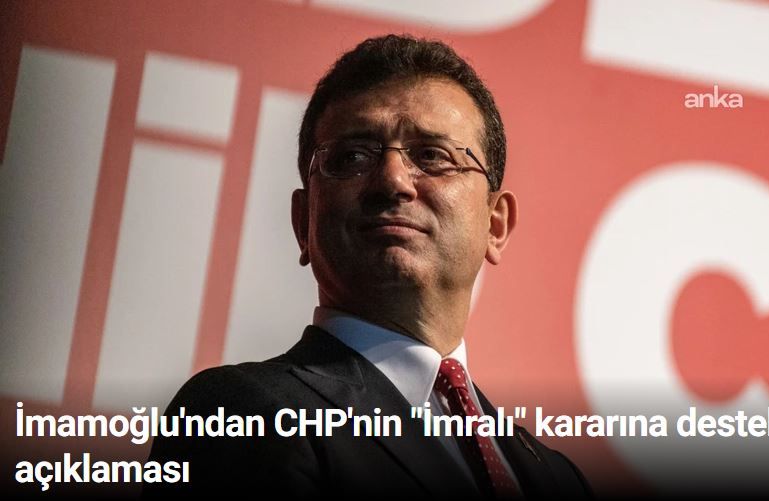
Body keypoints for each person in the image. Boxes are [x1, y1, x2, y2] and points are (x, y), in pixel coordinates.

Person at [146, 34, 591, 499]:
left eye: (432, 156)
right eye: (353, 157)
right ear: (303, 222)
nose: (393, 180)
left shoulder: (558, 478)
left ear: (495, 225)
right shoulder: (239, 413)